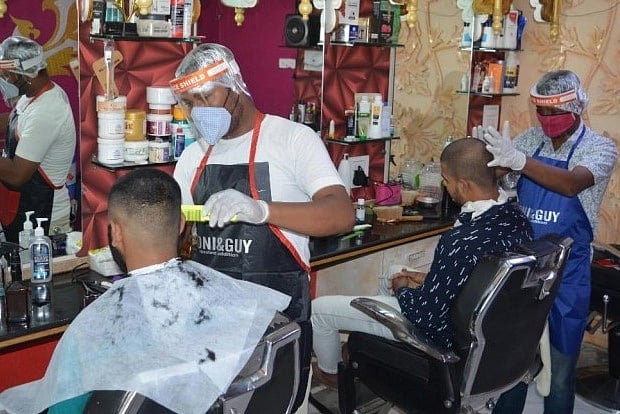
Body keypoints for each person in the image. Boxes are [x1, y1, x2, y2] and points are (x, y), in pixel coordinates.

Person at [0, 168, 292, 414]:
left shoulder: (92, 333)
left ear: (115, 233)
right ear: (181, 224)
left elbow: (63, 409)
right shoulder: (234, 303)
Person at [170, 43, 355, 412]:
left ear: (234, 84)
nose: (199, 111)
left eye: (206, 96)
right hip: (215, 329)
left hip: (278, 328)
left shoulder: (292, 139)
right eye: (190, 103)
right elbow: (179, 235)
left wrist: (263, 210)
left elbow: (340, 213)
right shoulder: (192, 156)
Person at [310, 138, 534, 387]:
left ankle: (331, 374)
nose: (445, 186)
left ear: (464, 184)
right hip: (483, 322)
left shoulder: (459, 241)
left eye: (446, 180)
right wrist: (430, 280)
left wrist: (403, 290)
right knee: (394, 271)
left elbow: (426, 317)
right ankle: (375, 349)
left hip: (444, 336)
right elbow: (481, 275)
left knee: (319, 310)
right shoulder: (517, 219)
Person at [478, 70, 618, 414]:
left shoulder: (599, 148)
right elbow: (503, 182)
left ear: (577, 107)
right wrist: (493, 163)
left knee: (560, 372)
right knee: (511, 367)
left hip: (567, 275)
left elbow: (571, 184)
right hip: (524, 270)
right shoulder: (529, 140)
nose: (547, 119)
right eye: (542, 112)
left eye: (555, 112)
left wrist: (520, 161)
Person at [0, 36, 76, 243]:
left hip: (44, 216)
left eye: (6, 75)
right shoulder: (32, 94)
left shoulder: (48, 110)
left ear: (23, 74)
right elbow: (15, 121)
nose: (4, 81)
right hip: (23, 207)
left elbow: (17, 174)